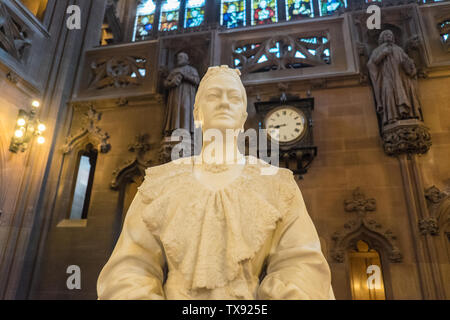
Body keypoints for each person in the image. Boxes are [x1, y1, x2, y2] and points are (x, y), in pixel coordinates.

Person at [97, 65, 335, 300]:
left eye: (233, 97)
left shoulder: (277, 184)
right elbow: (130, 267)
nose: (224, 102)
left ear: (243, 116)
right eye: (214, 95)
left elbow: (300, 265)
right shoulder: (159, 184)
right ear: (197, 113)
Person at [367, 30, 422, 126]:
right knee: (388, 93)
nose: (389, 36)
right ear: (382, 38)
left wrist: (410, 66)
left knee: (404, 93)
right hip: (387, 76)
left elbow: (407, 61)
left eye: (390, 34)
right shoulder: (378, 50)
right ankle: (392, 117)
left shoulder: (399, 49)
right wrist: (383, 53)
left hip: (401, 77)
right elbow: (372, 63)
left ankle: (407, 114)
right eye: (386, 35)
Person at [162, 52, 200, 136]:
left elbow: (197, 81)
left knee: (185, 109)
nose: (179, 59)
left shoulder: (192, 69)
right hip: (175, 96)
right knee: (175, 112)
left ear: (187, 59)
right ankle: (174, 131)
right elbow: (165, 83)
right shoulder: (174, 71)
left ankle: (187, 131)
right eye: (178, 57)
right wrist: (172, 82)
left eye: (181, 57)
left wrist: (185, 76)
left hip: (187, 96)